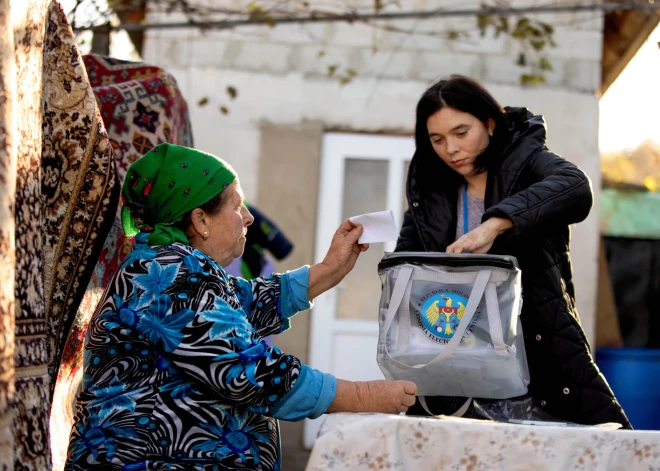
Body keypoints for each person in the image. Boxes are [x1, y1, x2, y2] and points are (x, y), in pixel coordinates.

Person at [65, 143, 417, 471]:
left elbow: (246, 303)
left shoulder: (173, 267)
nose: (248, 218)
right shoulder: (168, 274)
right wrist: (363, 395)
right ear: (201, 220)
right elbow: (248, 373)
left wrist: (329, 268)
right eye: (236, 206)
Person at [396, 75, 630, 428]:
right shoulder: (431, 192)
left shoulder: (526, 161)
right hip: (453, 355)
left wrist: (494, 224)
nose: (451, 149)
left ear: (489, 124)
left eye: (462, 133)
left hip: (539, 353)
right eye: (438, 139)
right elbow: (406, 270)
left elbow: (575, 187)